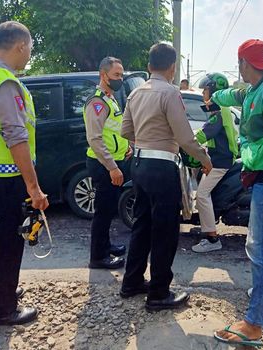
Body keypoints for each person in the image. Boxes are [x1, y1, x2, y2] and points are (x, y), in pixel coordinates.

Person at [208, 39, 263, 347]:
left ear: (244, 63)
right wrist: (213, 96)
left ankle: (254, 323)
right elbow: (232, 94)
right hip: (260, 177)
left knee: (258, 249)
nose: (239, 69)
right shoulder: (255, 90)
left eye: (239, 64)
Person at [120, 43, 212, 310]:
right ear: (172, 68)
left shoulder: (136, 92)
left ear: (149, 66)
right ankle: (159, 293)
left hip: (138, 164)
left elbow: (126, 130)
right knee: (165, 231)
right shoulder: (170, 92)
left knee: (142, 224)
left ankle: (132, 282)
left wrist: (147, 141)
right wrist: (204, 159)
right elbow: (184, 137)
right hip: (162, 168)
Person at [0, 21, 49, 325]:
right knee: (8, 242)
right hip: (6, 180)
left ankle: (2, 293)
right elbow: (16, 137)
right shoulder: (6, 83)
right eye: (29, 47)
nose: (30, 53)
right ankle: (4, 308)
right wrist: (34, 188)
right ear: (20, 45)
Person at [84, 56, 131, 270]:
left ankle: (106, 245)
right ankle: (98, 257)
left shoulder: (110, 97)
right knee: (103, 212)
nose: (120, 79)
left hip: (114, 161)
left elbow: (113, 130)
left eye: (121, 75)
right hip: (103, 165)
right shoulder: (97, 102)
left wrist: (126, 147)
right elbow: (95, 139)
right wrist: (112, 167)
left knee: (109, 208)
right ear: (103, 75)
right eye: (116, 75)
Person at [191, 73, 238, 253]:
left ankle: (211, 239)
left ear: (214, 92)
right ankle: (205, 222)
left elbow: (203, 134)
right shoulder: (221, 110)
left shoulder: (219, 113)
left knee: (202, 195)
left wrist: (184, 141)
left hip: (220, 161)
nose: (203, 94)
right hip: (219, 158)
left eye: (206, 90)